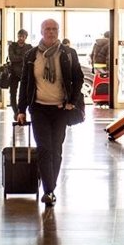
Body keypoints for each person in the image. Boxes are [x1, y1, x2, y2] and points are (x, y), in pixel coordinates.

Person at [17, 18, 84, 207]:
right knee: (44, 148)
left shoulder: (68, 53)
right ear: (41, 31)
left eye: (55, 29)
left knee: (56, 149)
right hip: (38, 108)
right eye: (48, 29)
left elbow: (78, 78)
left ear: (59, 31)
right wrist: (21, 109)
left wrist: (72, 101)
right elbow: (25, 83)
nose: (51, 32)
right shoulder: (31, 55)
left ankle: (50, 185)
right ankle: (49, 191)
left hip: (60, 109)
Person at [8, 29, 33, 118]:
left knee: (24, 93)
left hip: (24, 73)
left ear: (26, 37)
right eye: (19, 36)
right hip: (14, 73)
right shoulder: (12, 46)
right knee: (12, 93)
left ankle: (22, 110)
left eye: (22, 36)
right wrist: (23, 57)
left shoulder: (29, 47)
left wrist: (19, 58)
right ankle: (16, 112)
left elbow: (30, 58)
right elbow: (12, 58)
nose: (20, 38)